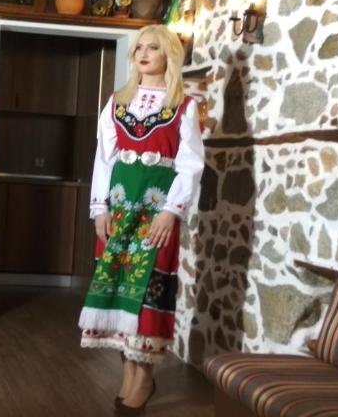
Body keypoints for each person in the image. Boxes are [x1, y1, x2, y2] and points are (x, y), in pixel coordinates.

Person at [78, 24, 205, 413]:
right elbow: (104, 158)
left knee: (148, 287)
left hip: (156, 210)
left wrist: (171, 211)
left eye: (153, 48)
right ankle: (129, 374)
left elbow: (191, 164)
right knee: (117, 285)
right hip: (119, 206)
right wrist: (99, 208)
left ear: (169, 55)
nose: (144, 54)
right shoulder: (117, 101)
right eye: (138, 49)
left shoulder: (184, 105)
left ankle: (144, 376)